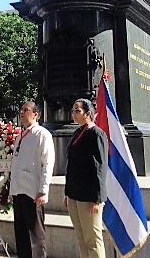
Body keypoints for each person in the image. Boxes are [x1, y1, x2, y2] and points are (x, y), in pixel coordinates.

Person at [9, 101, 55, 258]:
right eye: (21, 110)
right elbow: (15, 163)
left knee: (35, 236)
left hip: (33, 192)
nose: (22, 112)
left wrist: (43, 190)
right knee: (21, 235)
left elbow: (47, 163)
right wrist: (12, 189)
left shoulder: (42, 134)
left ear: (36, 114)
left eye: (26, 110)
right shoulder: (20, 136)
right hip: (18, 191)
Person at [65, 99, 108, 258]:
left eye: (77, 110)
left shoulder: (96, 134)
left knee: (93, 240)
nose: (73, 113)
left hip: (88, 197)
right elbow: (72, 165)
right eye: (73, 110)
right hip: (74, 195)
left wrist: (97, 199)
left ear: (88, 114)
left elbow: (100, 168)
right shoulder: (78, 132)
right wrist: (67, 193)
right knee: (81, 238)